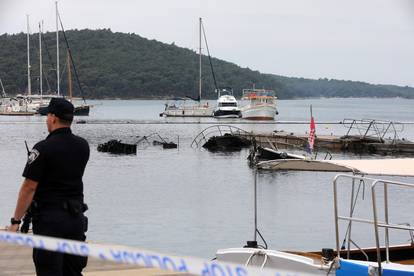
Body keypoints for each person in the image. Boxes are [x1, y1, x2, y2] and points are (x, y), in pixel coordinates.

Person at [7, 97, 90, 276]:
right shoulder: (83, 146)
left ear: (52, 117)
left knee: (49, 271)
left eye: (47, 116)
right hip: (76, 219)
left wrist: (16, 221)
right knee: (73, 271)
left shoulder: (43, 148)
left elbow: (29, 187)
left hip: (50, 222)